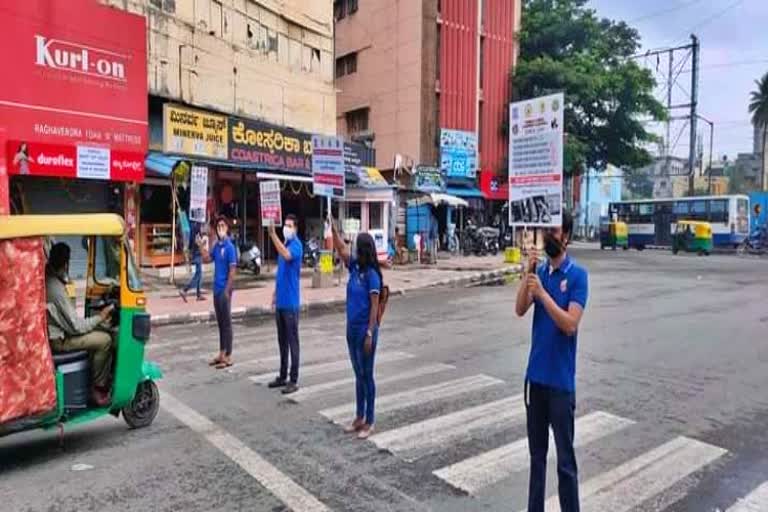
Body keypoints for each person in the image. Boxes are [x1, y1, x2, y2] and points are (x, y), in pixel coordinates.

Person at [515, 211, 588, 512]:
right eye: (547, 230)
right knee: (537, 458)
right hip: (536, 381)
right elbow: (520, 309)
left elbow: (570, 324)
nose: (549, 236)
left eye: (554, 231)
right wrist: (528, 272)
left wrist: (543, 295)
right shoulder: (540, 272)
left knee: (565, 461)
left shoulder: (577, 276)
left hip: (560, 383)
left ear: (567, 236)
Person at [45, 243, 115, 406]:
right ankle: (97, 389)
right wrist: (101, 316)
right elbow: (76, 327)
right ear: (65, 264)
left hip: (61, 332)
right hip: (60, 341)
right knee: (105, 340)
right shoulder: (55, 288)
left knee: (96, 330)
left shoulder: (50, 278)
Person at [332, 222, 382, 440]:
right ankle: (359, 416)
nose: (351, 250)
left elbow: (374, 307)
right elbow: (341, 249)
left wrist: (370, 333)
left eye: (356, 247)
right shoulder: (355, 268)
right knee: (358, 375)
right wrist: (332, 230)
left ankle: (370, 421)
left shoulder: (372, 275)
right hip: (351, 329)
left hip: (365, 331)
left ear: (363, 250)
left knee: (367, 375)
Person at [266, 215, 304, 395]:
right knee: (282, 341)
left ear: (295, 228)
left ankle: (293, 379)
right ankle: (282, 375)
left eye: (290, 226)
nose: (287, 228)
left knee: (292, 341)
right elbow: (280, 273)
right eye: (286, 225)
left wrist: (273, 236)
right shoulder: (285, 245)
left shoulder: (295, 246)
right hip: (281, 301)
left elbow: (287, 256)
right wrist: (274, 294)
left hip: (291, 303)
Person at [209, 216, 237, 369]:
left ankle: (228, 355)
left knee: (227, 324)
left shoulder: (230, 247)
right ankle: (221, 353)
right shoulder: (217, 246)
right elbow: (207, 258)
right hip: (216, 289)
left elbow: (233, 270)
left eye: (222, 226)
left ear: (227, 228)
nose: (220, 228)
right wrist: (201, 246)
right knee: (220, 323)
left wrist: (227, 289)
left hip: (224, 290)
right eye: (218, 226)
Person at [180, 221, 208, 302]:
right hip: (197, 254)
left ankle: (199, 295)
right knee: (198, 275)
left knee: (200, 274)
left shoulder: (192, 227)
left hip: (195, 253)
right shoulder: (196, 229)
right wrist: (203, 243)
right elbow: (198, 242)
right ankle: (184, 290)